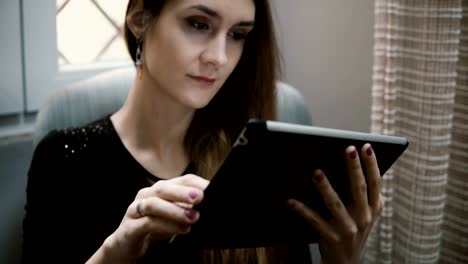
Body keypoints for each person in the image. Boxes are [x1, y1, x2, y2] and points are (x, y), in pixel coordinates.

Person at [22, 0, 384, 263]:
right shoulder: (65, 159)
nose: (220, 57)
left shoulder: (257, 157)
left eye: (238, 34)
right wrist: (115, 251)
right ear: (139, 18)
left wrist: (341, 260)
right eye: (198, 23)